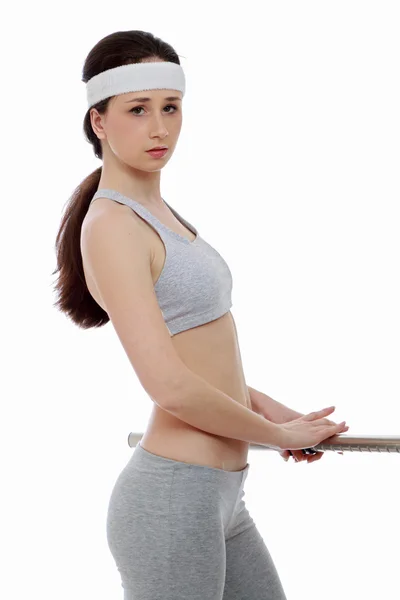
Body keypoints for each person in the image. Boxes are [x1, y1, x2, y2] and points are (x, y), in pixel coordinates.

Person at [52, 29, 349, 600]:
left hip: (222, 498)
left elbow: (198, 356)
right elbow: (168, 383)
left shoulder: (158, 212)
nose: (160, 127)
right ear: (99, 122)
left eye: (171, 107)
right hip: (172, 498)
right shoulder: (112, 226)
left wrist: (268, 408)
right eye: (137, 110)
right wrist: (274, 432)